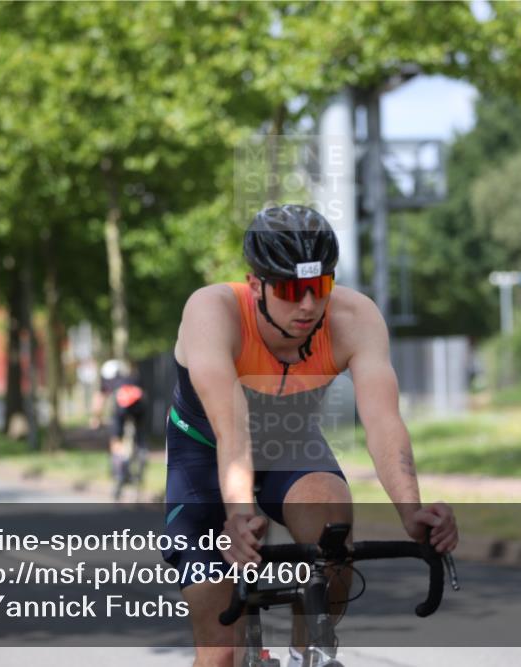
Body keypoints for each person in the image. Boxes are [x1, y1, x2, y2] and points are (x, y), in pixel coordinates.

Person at [162, 204, 459, 667]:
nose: (307, 305)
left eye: (318, 287)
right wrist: (240, 515)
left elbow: (382, 422)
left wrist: (411, 508)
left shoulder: (354, 317)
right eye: (289, 289)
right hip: (205, 453)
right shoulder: (212, 312)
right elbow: (232, 430)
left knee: (330, 517)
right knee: (221, 650)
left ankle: (310, 652)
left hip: (292, 444)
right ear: (255, 284)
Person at [93, 359, 147, 493]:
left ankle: (120, 471)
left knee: (116, 439)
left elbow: (99, 399)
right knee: (140, 434)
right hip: (139, 405)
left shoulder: (108, 381)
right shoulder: (132, 377)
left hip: (121, 406)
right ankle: (141, 452)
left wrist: (96, 418)